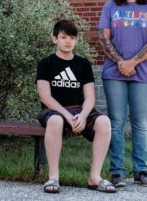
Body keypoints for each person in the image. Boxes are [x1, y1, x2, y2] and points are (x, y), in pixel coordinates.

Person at [98, 0, 147, 188]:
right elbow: (104, 38)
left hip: (143, 73)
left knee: (140, 124)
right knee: (116, 123)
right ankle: (117, 172)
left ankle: (141, 171)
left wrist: (133, 62)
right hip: (114, 73)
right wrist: (120, 62)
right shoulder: (110, 7)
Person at [36, 20, 116, 194]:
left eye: (72, 38)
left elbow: (89, 96)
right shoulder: (45, 63)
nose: (68, 41)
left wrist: (83, 115)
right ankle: (53, 177)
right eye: (63, 37)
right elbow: (45, 96)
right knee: (56, 120)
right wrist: (66, 114)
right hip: (54, 110)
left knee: (104, 122)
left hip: (79, 109)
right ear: (54, 39)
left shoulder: (83, 64)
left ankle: (94, 178)